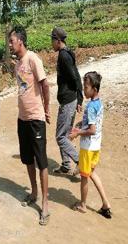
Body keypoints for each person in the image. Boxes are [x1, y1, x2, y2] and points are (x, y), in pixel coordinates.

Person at [8, 25, 51, 226]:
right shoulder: (18, 64)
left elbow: (44, 84)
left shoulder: (33, 59)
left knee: (41, 161)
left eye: (11, 41)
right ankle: (33, 192)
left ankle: (45, 203)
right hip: (22, 119)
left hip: (35, 118)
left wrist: (47, 108)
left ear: (20, 42)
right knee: (27, 159)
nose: (9, 44)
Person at [69, 71, 112, 219]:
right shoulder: (98, 103)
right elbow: (94, 125)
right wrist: (82, 124)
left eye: (86, 87)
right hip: (96, 147)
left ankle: (83, 205)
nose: (83, 89)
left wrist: (77, 133)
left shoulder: (91, 107)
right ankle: (106, 203)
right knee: (92, 174)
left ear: (94, 89)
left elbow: (92, 130)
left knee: (84, 177)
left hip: (87, 148)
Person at [51, 27, 83, 175]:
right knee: (63, 132)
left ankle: (79, 161)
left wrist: (79, 98)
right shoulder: (65, 54)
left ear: (58, 41)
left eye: (52, 40)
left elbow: (75, 76)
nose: (51, 43)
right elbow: (75, 74)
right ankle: (65, 165)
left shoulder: (64, 56)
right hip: (68, 99)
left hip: (68, 100)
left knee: (60, 136)